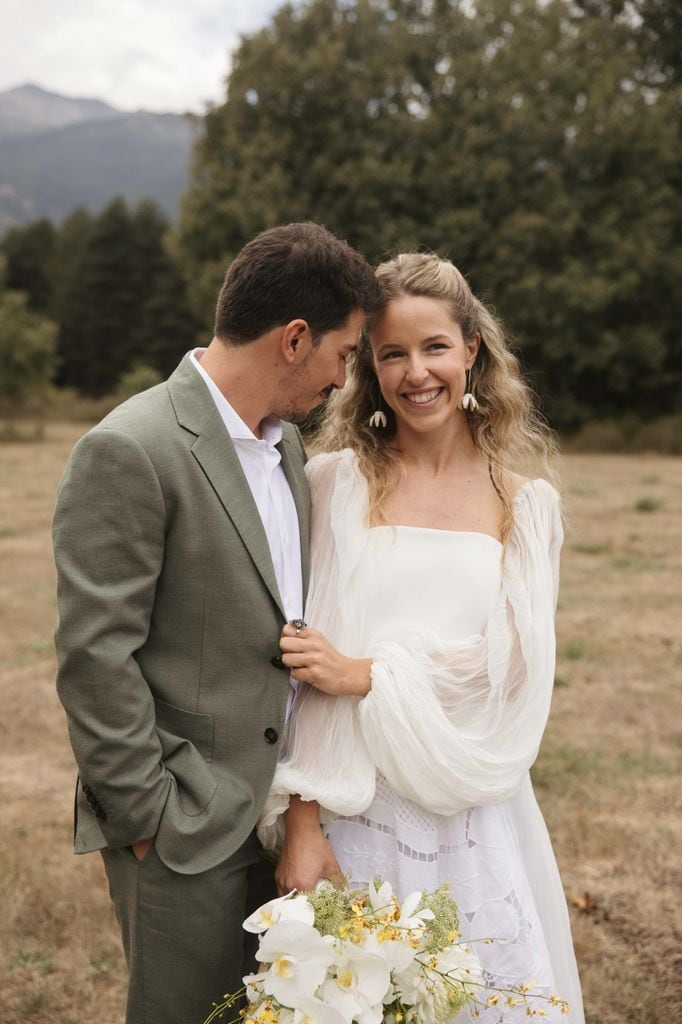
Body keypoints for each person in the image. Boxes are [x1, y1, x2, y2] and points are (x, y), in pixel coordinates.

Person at [52, 222, 380, 1024]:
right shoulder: (131, 448)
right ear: (294, 339)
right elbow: (96, 658)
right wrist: (147, 821)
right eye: (343, 354)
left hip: (273, 824)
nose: (343, 380)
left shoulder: (290, 452)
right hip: (179, 831)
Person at [259, 253, 585, 1022]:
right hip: (356, 809)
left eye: (434, 346)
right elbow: (307, 678)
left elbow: (511, 674)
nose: (417, 373)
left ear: (472, 347)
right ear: (368, 367)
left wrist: (371, 674)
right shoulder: (333, 486)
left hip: (474, 811)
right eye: (391, 353)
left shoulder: (526, 508)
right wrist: (302, 825)